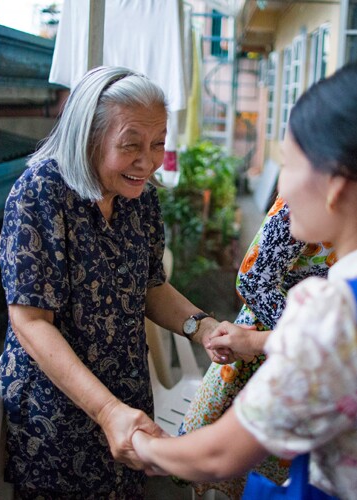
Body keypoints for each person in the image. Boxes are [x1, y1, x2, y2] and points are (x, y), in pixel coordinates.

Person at [0, 66, 237, 499]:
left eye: (158, 144)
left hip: (127, 394)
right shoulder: (40, 195)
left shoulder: (139, 196)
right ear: (88, 137)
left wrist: (202, 327)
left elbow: (151, 286)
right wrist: (106, 410)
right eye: (131, 145)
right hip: (60, 411)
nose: (148, 161)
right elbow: (30, 322)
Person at [132, 62, 357, 500]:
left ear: (335, 185)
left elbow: (218, 455)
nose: (282, 191)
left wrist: (139, 442)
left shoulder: (331, 314)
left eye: (289, 165)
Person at [177, 195, 335, 498]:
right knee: (237, 470)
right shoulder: (302, 200)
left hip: (305, 363)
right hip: (262, 363)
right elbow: (254, 280)